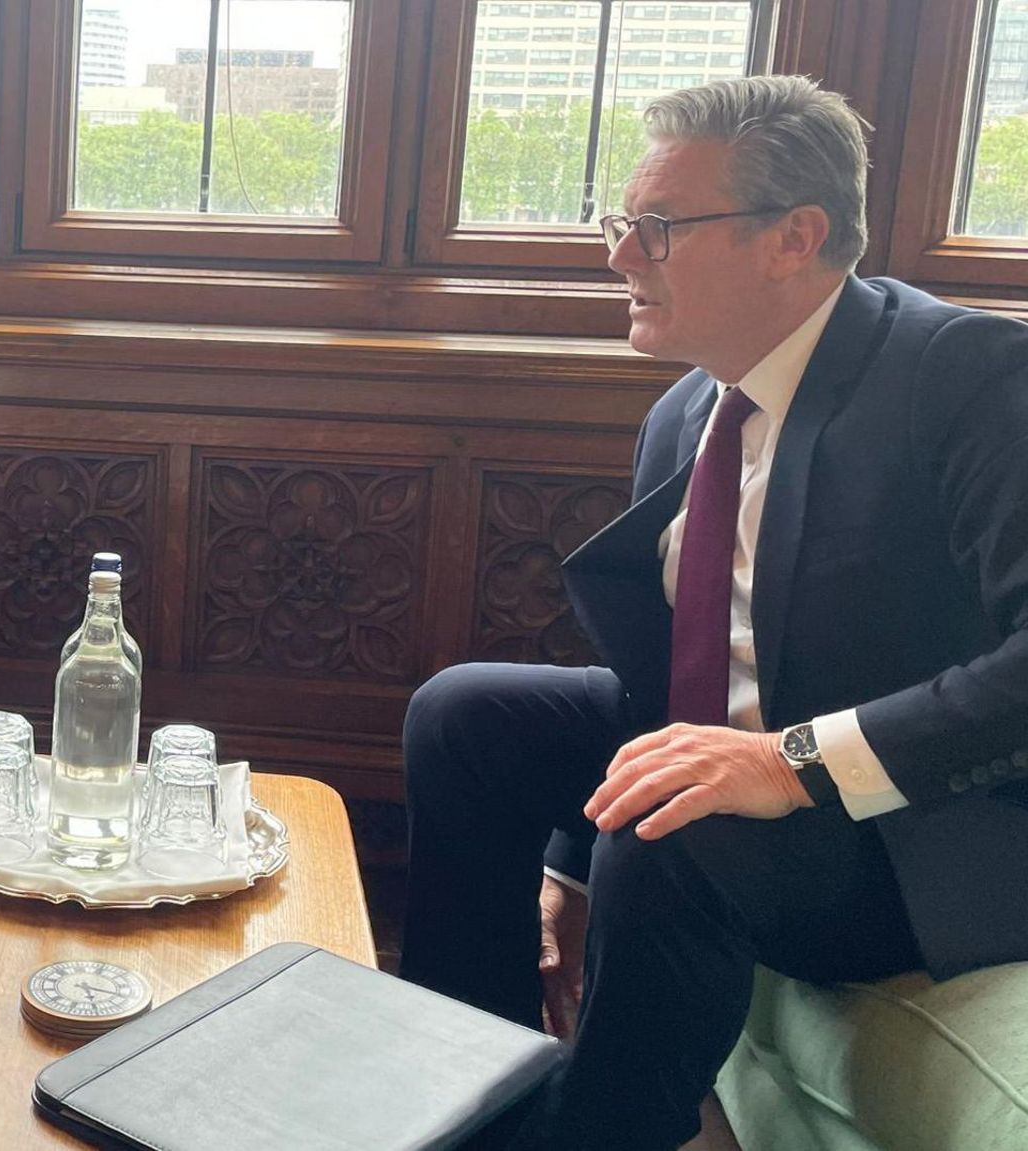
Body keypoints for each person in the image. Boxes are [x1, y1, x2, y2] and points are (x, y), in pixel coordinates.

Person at [398, 74, 1028, 1150]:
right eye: (619, 225)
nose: (617, 257)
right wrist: (566, 858)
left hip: (910, 826)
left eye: (654, 228)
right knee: (467, 712)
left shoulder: (964, 374)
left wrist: (792, 763)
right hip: (740, 761)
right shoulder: (690, 406)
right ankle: (467, 1082)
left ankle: (593, 1135)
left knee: (677, 830)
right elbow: (669, 679)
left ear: (793, 236)